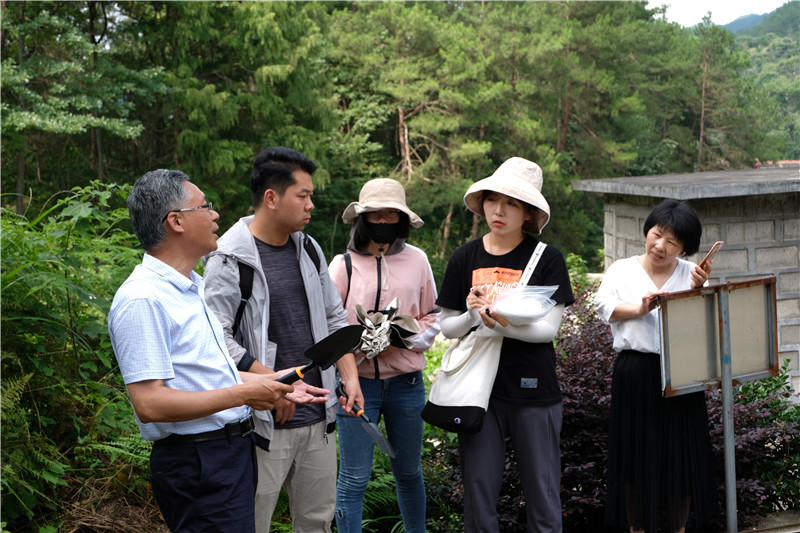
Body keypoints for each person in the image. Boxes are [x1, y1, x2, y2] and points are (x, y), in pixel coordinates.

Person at [108, 169, 328, 532]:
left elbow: (207, 373)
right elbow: (150, 404)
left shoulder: (193, 287)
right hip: (198, 461)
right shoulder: (143, 298)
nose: (215, 214)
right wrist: (244, 394)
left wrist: (275, 381)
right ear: (176, 221)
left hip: (229, 454)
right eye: (204, 206)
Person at [202, 147, 363, 533]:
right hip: (261, 422)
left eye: (311, 195)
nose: (311, 205)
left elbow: (333, 317)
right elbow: (215, 338)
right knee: (252, 523)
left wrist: (350, 376)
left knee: (317, 523)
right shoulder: (229, 258)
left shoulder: (308, 247)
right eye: (303, 195)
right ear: (271, 198)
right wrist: (276, 384)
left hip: (319, 418)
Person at [436, 157, 575, 533]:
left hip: (533, 388)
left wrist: (499, 325)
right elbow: (448, 327)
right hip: (478, 391)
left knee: (542, 494)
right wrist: (472, 316)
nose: (499, 210)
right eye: (493, 199)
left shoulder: (547, 258)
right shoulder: (464, 257)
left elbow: (548, 331)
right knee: (478, 494)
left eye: (512, 203)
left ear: (528, 212)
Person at [594, 199, 716, 533]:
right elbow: (602, 307)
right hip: (636, 371)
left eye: (672, 241)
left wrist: (698, 290)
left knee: (680, 456)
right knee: (636, 456)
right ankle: (637, 528)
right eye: (657, 234)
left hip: (682, 373)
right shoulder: (622, 269)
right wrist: (639, 309)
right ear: (647, 230)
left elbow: (706, 324)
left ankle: (678, 528)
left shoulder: (693, 275)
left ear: (684, 248)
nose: (660, 246)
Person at [328, 178, 440, 533]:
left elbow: (433, 315)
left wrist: (403, 337)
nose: (383, 220)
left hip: (407, 385)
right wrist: (360, 343)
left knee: (409, 472)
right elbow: (328, 324)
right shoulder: (343, 265)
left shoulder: (417, 260)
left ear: (402, 219)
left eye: (392, 214)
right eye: (376, 214)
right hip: (357, 386)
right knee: (354, 477)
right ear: (363, 218)